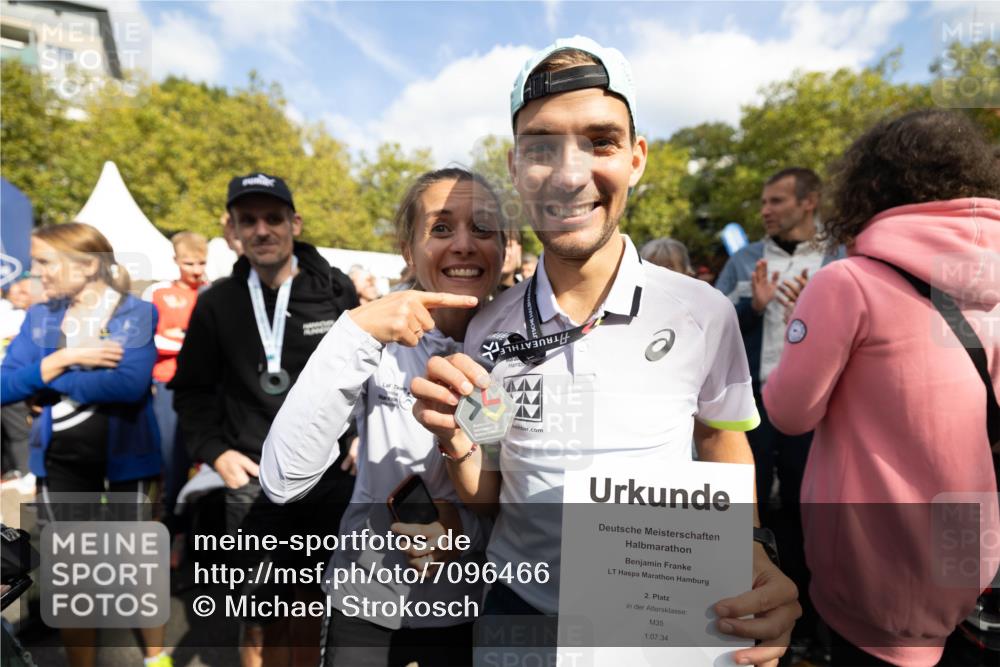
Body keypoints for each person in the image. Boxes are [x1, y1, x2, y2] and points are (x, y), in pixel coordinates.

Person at [410, 36, 800, 667]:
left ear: (637, 157)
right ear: (514, 166)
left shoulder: (704, 312)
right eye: (541, 146)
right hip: (518, 616)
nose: (569, 175)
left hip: (658, 623)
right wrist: (456, 444)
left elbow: (720, 440)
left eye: (600, 141)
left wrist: (753, 551)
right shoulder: (485, 329)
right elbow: (488, 493)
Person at [762, 109, 1000, 666]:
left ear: (869, 185)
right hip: (972, 552)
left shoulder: (848, 282)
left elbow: (789, 413)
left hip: (877, 563)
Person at [261, 167, 504, 667]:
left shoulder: (524, 350)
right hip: (366, 598)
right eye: (440, 228)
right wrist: (353, 333)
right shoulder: (374, 336)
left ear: (505, 247)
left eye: (482, 228)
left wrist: (462, 531)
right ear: (407, 249)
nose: (463, 244)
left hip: (477, 608)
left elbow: (525, 502)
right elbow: (283, 480)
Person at [171, 173, 358, 667]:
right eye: (247, 220)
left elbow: (368, 373)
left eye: (273, 218)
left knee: (319, 606)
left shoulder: (335, 290)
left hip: (331, 476)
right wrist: (215, 451)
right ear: (231, 230)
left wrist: (361, 434)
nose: (262, 230)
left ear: (294, 223)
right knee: (260, 611)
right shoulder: (217, 302)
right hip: (253, 480)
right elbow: (190, 391)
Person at [0, 223, 171, 667]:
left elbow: (128, 385)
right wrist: (65, 358)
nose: (37, 274)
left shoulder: (134, 313)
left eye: (45, 262)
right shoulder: (41, 317)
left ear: (88, 265)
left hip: (126, 464)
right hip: (60, 463)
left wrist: (46, 385)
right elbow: (3, 385)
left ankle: (156, 659)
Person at [714, 168, 841, 653]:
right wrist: (753, 307)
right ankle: (757, 618)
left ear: (810, 202)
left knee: (813, 510)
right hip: (752, 408)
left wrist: (817, 313)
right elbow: (713, 320)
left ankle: (813, 624)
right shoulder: (744, 260)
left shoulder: (840, 259)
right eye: (764, 201)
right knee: (755, 513)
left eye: (777, 201)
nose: (765, 210)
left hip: (818, 412)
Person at [145, 231, 208, 565]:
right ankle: (170, 533)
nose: (196, 269)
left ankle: (197, 537)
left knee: (205, 463)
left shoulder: (213, 293)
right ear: (175, 261)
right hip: (169, 387)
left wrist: (179, 339)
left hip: (206, 389)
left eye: (201, 262)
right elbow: (152, 343)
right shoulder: (162, 294)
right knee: (172, 462)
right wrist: (182, 342)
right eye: (189, 263)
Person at [1, 276, 44, 482]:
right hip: (9, 379)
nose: (15, 293)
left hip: (21, 384)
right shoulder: (10, 313)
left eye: (24, 292)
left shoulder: (35, 319)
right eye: (15, 289)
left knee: (18, 425)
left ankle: (27, 473)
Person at [497, 227, 522, 291]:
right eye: (497, 245)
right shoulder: (474, 296)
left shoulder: (529, 294)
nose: (503, 252)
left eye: (508, 246)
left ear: (519, 250)